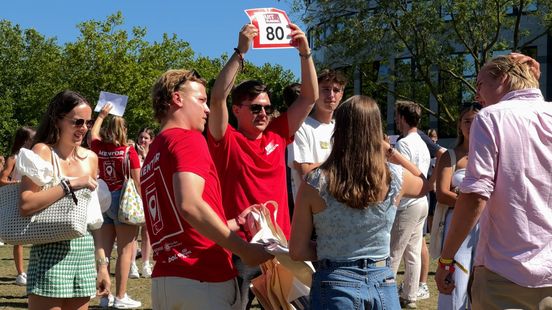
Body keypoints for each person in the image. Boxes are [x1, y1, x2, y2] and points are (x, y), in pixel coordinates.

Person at [207, 23, 317, 310]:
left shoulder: (278, 133)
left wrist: (305, 54)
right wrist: (240, 53)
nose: (263, 113)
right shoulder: (225, 139)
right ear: (237, 111)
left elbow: (309, 97)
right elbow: (217, 96)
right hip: (242, 248)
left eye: (267, 107)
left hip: (282, 246)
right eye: (255, 107)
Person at [142, 68, 272, 310]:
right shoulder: (187, 139)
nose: (207, 109)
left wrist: (235, 222)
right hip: (203, 276)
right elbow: (190, 205)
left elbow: (179, 222)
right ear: (177, 99)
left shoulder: (154, 151)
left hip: (166, 280)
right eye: (201, 100)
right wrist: (244, 250)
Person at [289, 95, 430, 309]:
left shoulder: (315, 183)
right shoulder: (395, 178)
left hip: (334, 281)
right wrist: (391, 151)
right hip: (382, 282)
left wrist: (332, 245)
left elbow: (297, 250)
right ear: (376, 131)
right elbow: (424, 183)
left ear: (339, 129)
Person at [435, 54, 552, 309]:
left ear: (504, 79)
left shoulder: (490, 118)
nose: (477, 95)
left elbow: (476, 195)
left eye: (479, 84)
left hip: (506, 272)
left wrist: (446, 259)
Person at [18, 90, 110, 309]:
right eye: (78, 122)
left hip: (84, 252)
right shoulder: (42, 152)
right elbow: (26, 204)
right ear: (58, 119)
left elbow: (93, 218)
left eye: (87, 123)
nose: (84, 128)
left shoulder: (91, 158)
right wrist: (70, 184)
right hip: (50, 250)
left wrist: (102, 265)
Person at [90, 104, 142, 309]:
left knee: (103, 250)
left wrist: (101, 115)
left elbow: (92, 134)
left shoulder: (98, 147)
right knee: (125, 251)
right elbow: (137, 182)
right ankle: (121, 296)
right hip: (123, 202)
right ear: (124, 130)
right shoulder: (130, 151)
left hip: (103, 201)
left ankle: (105, 297)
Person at [434, 103, 481, 310]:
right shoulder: (450, 156)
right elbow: (442, 193)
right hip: (458, 224)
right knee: (456, 282)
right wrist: (471, 204)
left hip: (488, 227)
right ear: (459, 125)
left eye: (476, 120)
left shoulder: (493, 154)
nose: (472, 125)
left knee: (483, 283)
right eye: (467, 121)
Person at [389, 100, 431, 309]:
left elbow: (400, 175)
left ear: (403, 119)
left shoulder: (404, 144)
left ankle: (386, 294)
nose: (396, 120)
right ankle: (410, 294)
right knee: (413, 250)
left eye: (397, 116)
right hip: (421, 202)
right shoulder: (422, 142)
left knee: (394, 250)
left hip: (407, 203)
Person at [288, 69, 347, 202]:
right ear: (315, 91)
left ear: (341, 95)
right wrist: (343, 164)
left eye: (336, 90)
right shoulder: (301, 127)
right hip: (310, 213)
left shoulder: (343, 128)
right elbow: (306, 172)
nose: (331, 95)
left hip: (340, 208)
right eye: (325, 89)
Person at [0, 126, 36, 286]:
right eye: (32, 139)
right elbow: (2, 179)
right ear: (25, 140)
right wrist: (17, 183)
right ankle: (21, 272)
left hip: (30, 197)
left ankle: (33, 270)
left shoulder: (33, 157)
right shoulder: (13, 158)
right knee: (18, 239)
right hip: (15, 199)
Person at [129, 127, 155, 279]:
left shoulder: (152, 155)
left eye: (146, 138)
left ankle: (145, 263)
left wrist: (146, 157)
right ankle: (132, 264)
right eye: (141, 138)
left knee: (146, 232)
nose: (142, 140)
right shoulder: (131, 154)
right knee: (132, 232)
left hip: (148, 196)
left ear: (151, 140)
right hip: (134, 197)